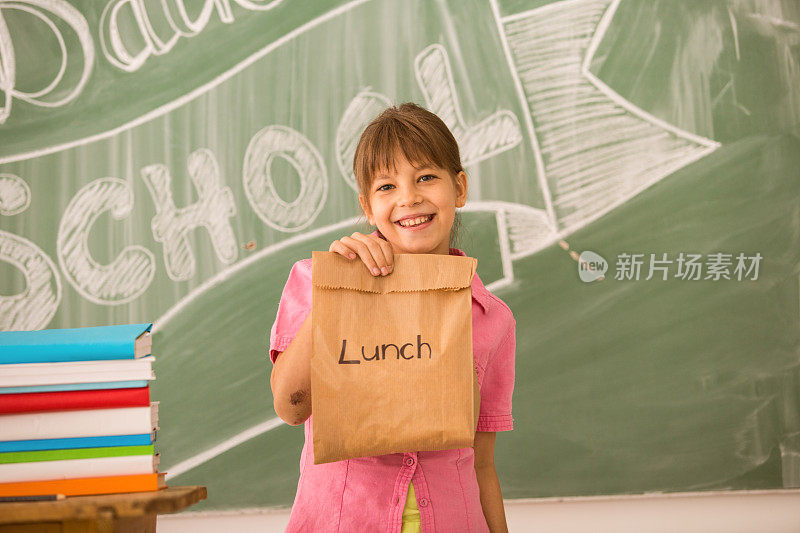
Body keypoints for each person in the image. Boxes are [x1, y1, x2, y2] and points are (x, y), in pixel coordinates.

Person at [269, 103, 516, 532]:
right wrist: (339, 291)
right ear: (367, 205)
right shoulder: (317, 281)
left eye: (426, 177)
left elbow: (483, 465)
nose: (408, 198)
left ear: (458, 188)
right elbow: (291, 408)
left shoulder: (491, 318)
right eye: (386, 186)